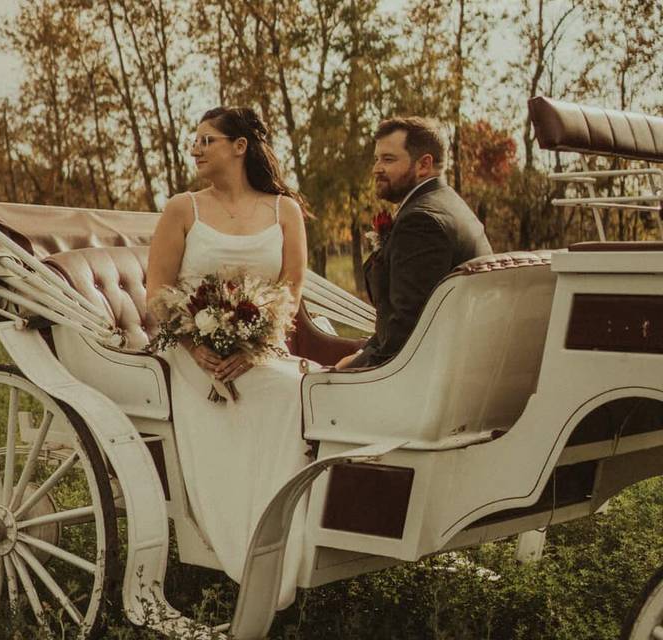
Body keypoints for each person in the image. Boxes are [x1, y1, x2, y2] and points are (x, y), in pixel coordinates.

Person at [146, 106, 309, 609]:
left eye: (207, 139)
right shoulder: (182, 210)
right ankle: (255, 548)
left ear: (240, 147)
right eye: (193, 140)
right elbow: (157, 291)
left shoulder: (284, 211)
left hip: (260, 350)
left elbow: (292, 289)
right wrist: (199, 347)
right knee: (284, 395)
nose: (195, 148)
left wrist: (255, 344)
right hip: (192, 355)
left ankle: (298, 540)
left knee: (302, 387)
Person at [337, 117, 493, 369]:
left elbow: (408, 330)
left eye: (388, 159)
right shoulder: (447, 202)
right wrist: (364, 351)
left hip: (425, 374)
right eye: (376, 159)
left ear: (424, 165)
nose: (376, 168)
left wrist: (354, 367)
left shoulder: (421, 222)